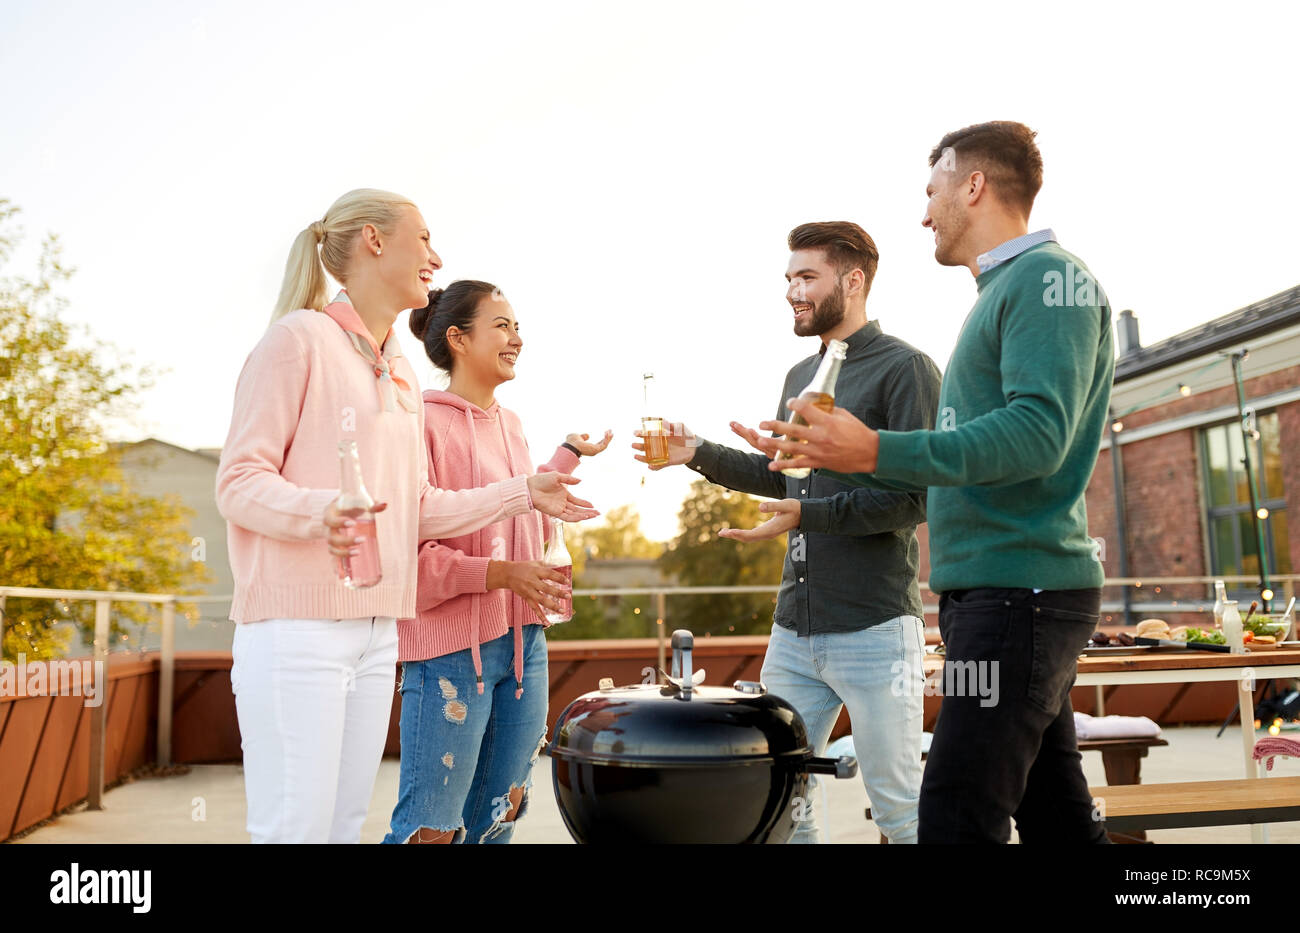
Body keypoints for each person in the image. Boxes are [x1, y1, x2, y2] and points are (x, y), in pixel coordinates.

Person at [742, 123, 1114, 844]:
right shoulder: (1008, 287)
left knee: (951, 819)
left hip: (1021, 596)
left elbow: (1039, 435)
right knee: (1057, 822)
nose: (924, 213)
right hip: (1006, 593)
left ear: (973, 185)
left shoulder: (1046, 281)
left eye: (932, 190)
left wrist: (875, 448)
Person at [215, 189, 598, 844]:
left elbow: (421, 508)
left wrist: (524, 492)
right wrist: (322, 512)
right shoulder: (297, 339)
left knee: (339, 828)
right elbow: (239, 481)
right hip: (295, 628)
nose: (435, 256)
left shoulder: (394, 364)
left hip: (375, 632)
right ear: (373, 239)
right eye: (423, 239)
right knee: (296, 830)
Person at [634, 222, 941, 844]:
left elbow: (915, 499)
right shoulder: (801, 373)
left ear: (852, 282)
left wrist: (812, 515)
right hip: (794, 633)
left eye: (807, 277)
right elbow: (785, 479)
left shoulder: (907, 369)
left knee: (899, 810)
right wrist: (696, 452)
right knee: (779, 804)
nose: (792, 291)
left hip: (875, 629)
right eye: (789, 279)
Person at [383, 281, 612, 844]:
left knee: (498, 816)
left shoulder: (509, 423)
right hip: (449, 657)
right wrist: (500, 575)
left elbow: (511, 503)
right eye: (503, 326)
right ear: (458, 339)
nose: (517, 338)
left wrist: (568, 455)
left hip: (523, 648)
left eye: (518, 327)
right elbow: (407, 554)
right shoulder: (420, 423)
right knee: (431, 830)